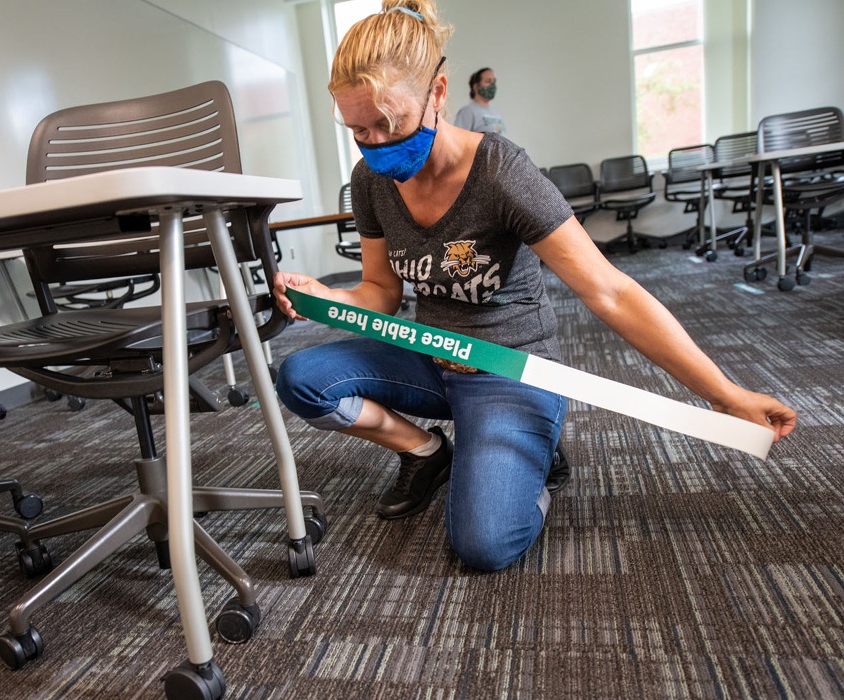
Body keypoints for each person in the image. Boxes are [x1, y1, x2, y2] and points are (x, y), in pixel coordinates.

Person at [272, 0, 796, 572]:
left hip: (511, 370)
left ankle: (533, 443)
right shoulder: (371, 180)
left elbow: (611, 292)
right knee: (301, 378)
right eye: (358, 131)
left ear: (439, 92)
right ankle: (425, 451)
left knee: (484, 544)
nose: (375, 144)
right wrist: (330, 298)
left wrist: (723, 394)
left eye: (390, 123)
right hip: (433, 360)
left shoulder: (501, 171)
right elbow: (378, 291)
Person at [453, 66, 506, 135]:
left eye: (494, 81)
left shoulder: (496, 113)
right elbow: (458, 139)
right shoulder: (467, 111)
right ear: (476, 87)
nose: (492, 85)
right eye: (488, 81)